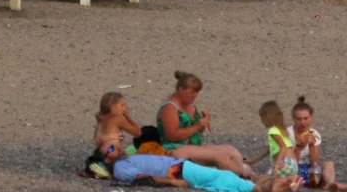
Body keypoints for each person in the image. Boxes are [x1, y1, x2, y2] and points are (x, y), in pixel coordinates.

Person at [158, 71, 254, 178]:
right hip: (175, 149)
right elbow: (172, 135)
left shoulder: (190, 104)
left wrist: (202, 123)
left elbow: (197, 132)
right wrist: (197, 126)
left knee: (231, 151)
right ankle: (245, 176)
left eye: (197, 92)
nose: (195, 95)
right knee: (220, 157)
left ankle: (246, 173)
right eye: (192, 92)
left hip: (194, 147)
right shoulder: (170, 108)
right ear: (181, 89)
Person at [90, 143, 295, 192]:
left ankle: (266, 184)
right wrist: (173, 182)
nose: (116, 146)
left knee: (217, 177)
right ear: (107, 160)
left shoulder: (125, 160)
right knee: (219, 178)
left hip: (179, 167)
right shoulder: (120, 169)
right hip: (178, 171)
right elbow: (141, 178)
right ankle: (260, 188)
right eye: (110, 148)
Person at [289, 97, 347, 191]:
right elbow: (288, 164)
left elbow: (314, 163)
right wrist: (298, 148)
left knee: (329, 164)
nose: (303, 122)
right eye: (299, 119)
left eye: (306, 118)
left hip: (308, 173)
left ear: (311, 117)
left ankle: (330, 184)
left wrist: (312, 146)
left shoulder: (314, 134)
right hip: (290, 172)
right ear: (293, 119)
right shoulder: (287, 134)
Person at [260, 101, 298, 179]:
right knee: (280, 181)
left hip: (283, 164)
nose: (261, 120)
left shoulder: (272, 130)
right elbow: (267, 150)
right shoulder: (281, 131)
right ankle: (293, 182)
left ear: (267, 117)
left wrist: (276, 165)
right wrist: (252, 161)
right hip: (293, 165)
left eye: (262, 117)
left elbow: (283, 147)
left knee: (264, 179)